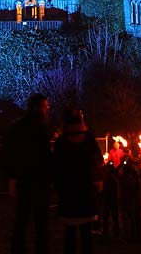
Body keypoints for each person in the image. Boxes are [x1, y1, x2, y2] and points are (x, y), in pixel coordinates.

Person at [1, 93, 52, 254]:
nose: (47, 109)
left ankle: (18, 249)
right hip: (37, 182)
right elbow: (45, 157)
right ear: (37, 108)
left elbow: (8, 154)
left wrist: (12, 177)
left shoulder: (16, 127)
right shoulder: (40, 128)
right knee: (40, 223)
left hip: (24, 181)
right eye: (45, 106)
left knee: (21, 221)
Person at [53, 109, 104, 254]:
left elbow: (55, 168)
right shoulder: (89, 139)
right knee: (86, 234)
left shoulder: (61, 142)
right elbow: (98, 161)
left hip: (68, 193)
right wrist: (98, 181)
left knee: (70, 234)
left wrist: (58, 187)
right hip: (85, 192)